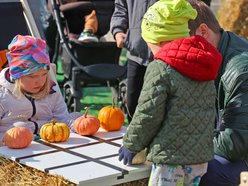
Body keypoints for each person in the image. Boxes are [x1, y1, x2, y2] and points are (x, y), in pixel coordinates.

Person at [118, 0, 222, 185]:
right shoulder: (203, 60)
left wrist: (132, 144)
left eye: (150, 45)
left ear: (160, 40)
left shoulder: (160, 67)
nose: (151, 53)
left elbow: (148, 113)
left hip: (170, 160)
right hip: (200, 158)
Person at [187, 0, 248, 185]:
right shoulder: (216, 53)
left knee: (205, 170)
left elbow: (233, 144)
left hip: (242, 153)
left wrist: (186, 145)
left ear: (203, 32)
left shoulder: (240, 70)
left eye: (181, 43)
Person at [0, 35, 81, 143]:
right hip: (11, 148)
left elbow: (62, 119)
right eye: (32, 76)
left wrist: (77, 124)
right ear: (17, 75)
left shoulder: (51, 88)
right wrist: (7, 139)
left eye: (44, 74)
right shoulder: (2, 95)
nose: (40, 81)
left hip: (48, 142)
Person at [110, 0, 157, 123]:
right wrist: (118, 30)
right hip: (136, 54)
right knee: (133, 106)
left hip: (164, 55)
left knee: (159, 106)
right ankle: (135, 139)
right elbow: (121, 8)